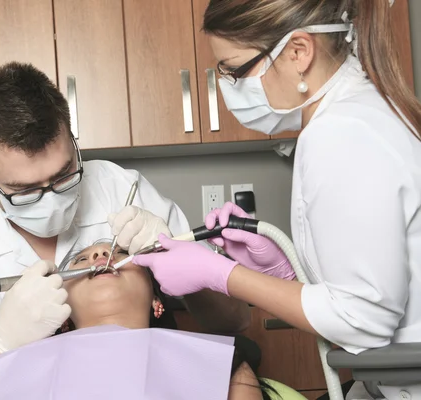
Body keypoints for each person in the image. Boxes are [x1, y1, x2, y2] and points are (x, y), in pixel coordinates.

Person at [123, 1, 421, 399]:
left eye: (234, 69)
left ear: (298, 52)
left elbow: (363, 319)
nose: (227, 84)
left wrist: (221, 275)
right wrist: (282, 271)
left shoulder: (342, 134)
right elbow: (365, 288)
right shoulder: (356, 115)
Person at [0, 62, 250, 399]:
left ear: (72, 138)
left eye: (65, 174)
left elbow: (234, 322)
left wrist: (181, 260)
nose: (50, 199)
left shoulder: (122, 190)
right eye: (25, 191)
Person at [0, 240, 305, 400]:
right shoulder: (18, 368)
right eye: (80, 260)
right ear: (60, 310)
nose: (100, 253)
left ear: (158, 300)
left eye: (120, 252)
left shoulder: (223, 363)